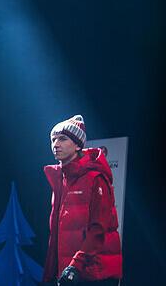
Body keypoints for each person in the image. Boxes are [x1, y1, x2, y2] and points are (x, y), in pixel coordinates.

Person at [43, 115, 122, 286]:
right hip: (70, 273)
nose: (55, 144)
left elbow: (98, 228)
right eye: (53, 140)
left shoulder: (95, 178)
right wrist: (53, 270)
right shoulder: (59, 180)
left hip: (96, 274)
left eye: (62, 139)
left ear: (78, 144)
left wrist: (74, 266)